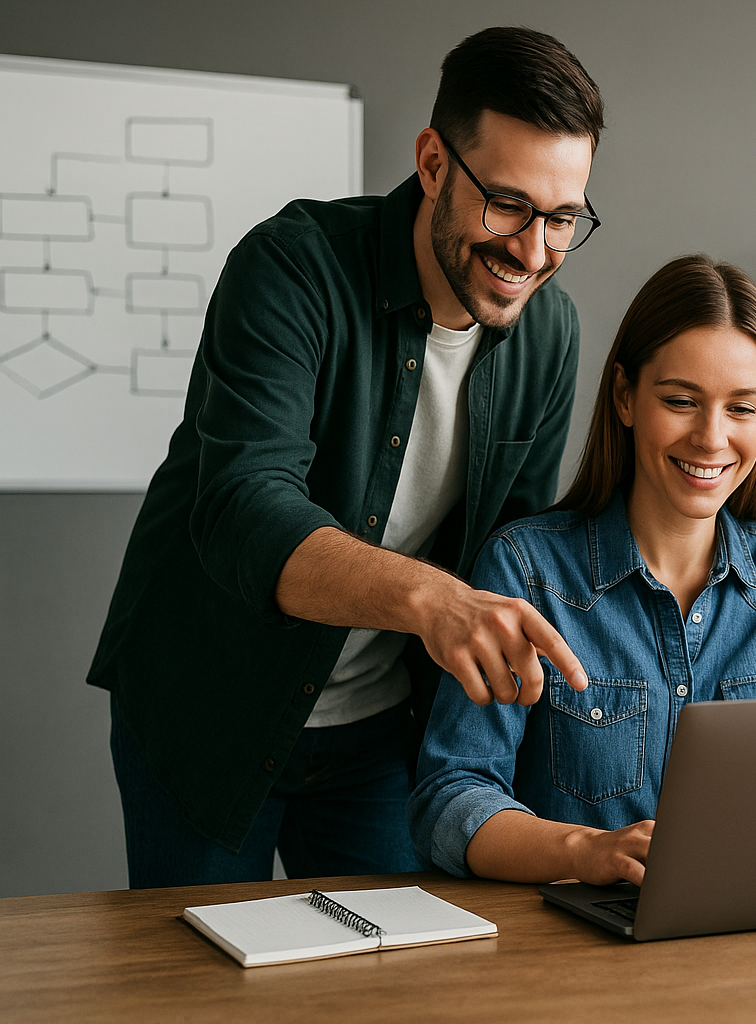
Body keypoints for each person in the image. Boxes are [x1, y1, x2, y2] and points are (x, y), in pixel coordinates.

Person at [88, 27, 606, 887]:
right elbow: (246, 505)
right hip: (209, 706)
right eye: (508, 205)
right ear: (433, 163)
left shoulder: (550, 332)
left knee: (402, 966)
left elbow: (512, 548)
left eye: (562, 219)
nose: (532, 251)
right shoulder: (291, 267)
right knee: (198, 967)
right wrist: (433, 601)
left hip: (379, 731)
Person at [409, 254, 756, 885]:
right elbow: (450, 798)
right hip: (569, 932)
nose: (711, 438)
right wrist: (583, 851)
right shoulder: (526, 570)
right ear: (625, 396)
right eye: (681, 401)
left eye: (741, 408)